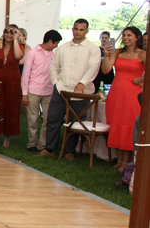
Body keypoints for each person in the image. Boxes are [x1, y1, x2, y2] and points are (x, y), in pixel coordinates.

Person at [38, 19, 101, 160]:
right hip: (61, 89)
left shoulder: (92, 48)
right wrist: (55, 82)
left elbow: (93, 67)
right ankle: (49, 149)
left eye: (81, 29)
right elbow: (54, 66)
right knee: (53, 118)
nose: (78, 32)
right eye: (76, 29)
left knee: (75, 122)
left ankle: (70, 151)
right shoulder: (63, 47)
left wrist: (83, 82)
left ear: (87, 31)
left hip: (81, 92)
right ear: (72, 29)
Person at [101, 26, 145, 171]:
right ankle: (119, 159)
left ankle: (127, 162)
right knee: (117, 123)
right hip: (116, 92)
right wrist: (106, 55)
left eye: (129, 35)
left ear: (137, 37)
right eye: (124, 35)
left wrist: (138, 80)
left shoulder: (143, 54)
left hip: (132, 94)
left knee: (129, 124)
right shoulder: (118, 52)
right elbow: (106, 70)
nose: (126, 38)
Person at [21, 30, 62, 153]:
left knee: (47, 118)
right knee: (32, 118)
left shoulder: (54, 56)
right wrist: (25, 94)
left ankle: (43, 144)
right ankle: (32, 143)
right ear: (50, 41)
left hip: (48, 90)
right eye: (56, 43)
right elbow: (26, 74)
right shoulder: (32, 53)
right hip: (33, 89)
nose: (56, 46)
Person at [0, 25, 25, 147]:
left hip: (12, 78)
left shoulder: (19, 46)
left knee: (11, 106)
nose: (8, 34)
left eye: (12, 32)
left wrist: (15, 39)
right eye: (6, 31)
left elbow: (18, 57)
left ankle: (6, 138)